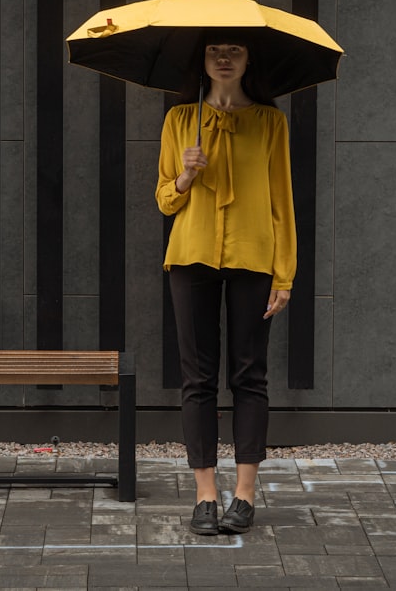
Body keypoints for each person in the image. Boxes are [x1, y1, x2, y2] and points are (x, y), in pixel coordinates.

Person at [155, 31, 296, 535]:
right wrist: (185, 176)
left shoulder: (270, 122)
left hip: (254, 257)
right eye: (216, 50)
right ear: (203, 60)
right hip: (192, 256)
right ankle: (205, 494)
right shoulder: (180, 121)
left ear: (248, 59)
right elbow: (165, 202)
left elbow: (282, 200)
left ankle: (245, 494)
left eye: (234, 50)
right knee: (198, 378)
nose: (224, 58)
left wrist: (286, 273)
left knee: (249, 375)